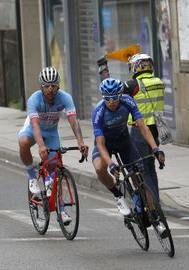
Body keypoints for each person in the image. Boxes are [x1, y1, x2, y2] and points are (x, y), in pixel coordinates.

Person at [91, 78, 166, 234]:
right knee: (99, 167)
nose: (111, 101)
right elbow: (100, 143)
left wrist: (155, 148)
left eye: (115, 97)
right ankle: (118, 196)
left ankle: (155, 218)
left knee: (140, 176)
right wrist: (110, 164)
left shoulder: (128, 101)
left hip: (124, 141)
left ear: (121, 94)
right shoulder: (98, 112)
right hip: (106, 144)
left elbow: (143, 127)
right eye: (107, 98)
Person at [18, 67, 88, 224]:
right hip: (32, 129)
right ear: (41, 86)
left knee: (55, 172)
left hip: (51, 133)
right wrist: (41, 146)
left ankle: (61, 210)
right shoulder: (34, 99)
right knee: (23, 142)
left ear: (58, 86)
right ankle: (31, 177)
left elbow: (73, 120)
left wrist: (80, 141)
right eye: (46, 86)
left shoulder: (65, 98)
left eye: (54, 85)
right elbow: (35, 125)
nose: (50, 89)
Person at [123, 53, 165, 201]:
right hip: (155, 131)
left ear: (135, 67)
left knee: (142, 170)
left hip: (139, 131)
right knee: (151, 168)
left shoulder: (132, 85)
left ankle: (151, 207)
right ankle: (156, 203)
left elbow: (114, 95)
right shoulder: (159, 82)